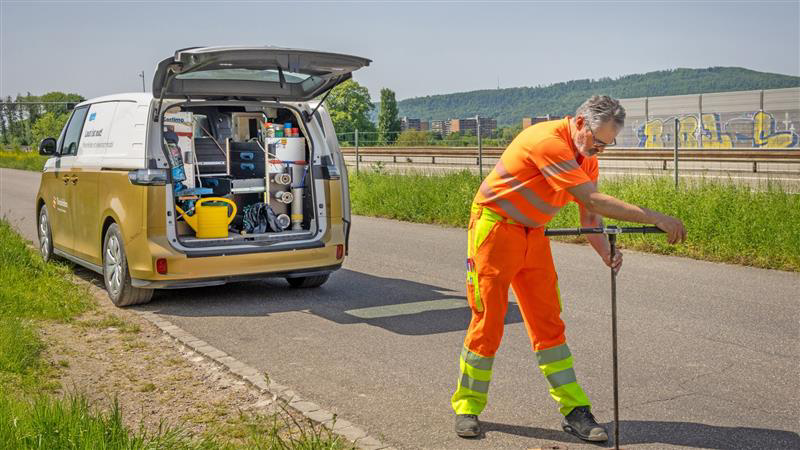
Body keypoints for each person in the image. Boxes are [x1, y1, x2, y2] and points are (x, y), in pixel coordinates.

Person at [451, 95, 686, 441]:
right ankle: (467, 406)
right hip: (495, 230)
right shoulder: (547, 141)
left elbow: (588, 215)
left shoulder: (586, 156)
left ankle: (574, 410)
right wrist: (655, 218)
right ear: (579, 123)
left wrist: (605, 251)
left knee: (549, 325)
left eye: (608, 145)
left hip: (534, 235)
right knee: (488, 321)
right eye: (598, 141)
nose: (600, 150)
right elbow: (591, 199)